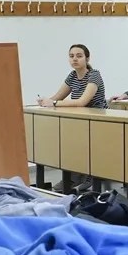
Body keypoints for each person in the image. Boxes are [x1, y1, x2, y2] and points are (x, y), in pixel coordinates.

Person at [37, 43, 108, 193]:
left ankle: (90, 176)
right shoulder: (72, 76)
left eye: (79, 56)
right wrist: (45, 101)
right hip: (79, 120)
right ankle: (71, 177)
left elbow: (82, 102)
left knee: (83, 143)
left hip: (97, 120)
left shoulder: (94, 75)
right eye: (71, 56)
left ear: (87, 58)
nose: (74, 59)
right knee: (68, 142)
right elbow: (57, 97)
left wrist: (54, 103)